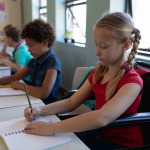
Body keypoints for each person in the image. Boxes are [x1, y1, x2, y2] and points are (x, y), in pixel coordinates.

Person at [24, 12, 142, 149]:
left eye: (103, 46)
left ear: (126, 45)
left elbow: (101, 117)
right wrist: (40, 110)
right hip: (99, 134)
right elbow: (71, 102)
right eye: (96, 45)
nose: (97, 52)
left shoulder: (132, 82)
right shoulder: (98, 72)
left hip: (120, 144)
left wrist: (52, 128)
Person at [0, 19, 61, 105]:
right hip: (33, 99)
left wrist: (21, 86)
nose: (28, 50)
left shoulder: (53, 62)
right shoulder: (34, 61)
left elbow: (43, 93)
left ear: (44, 43)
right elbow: (14, 77)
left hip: (45, 105)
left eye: (31, 45)